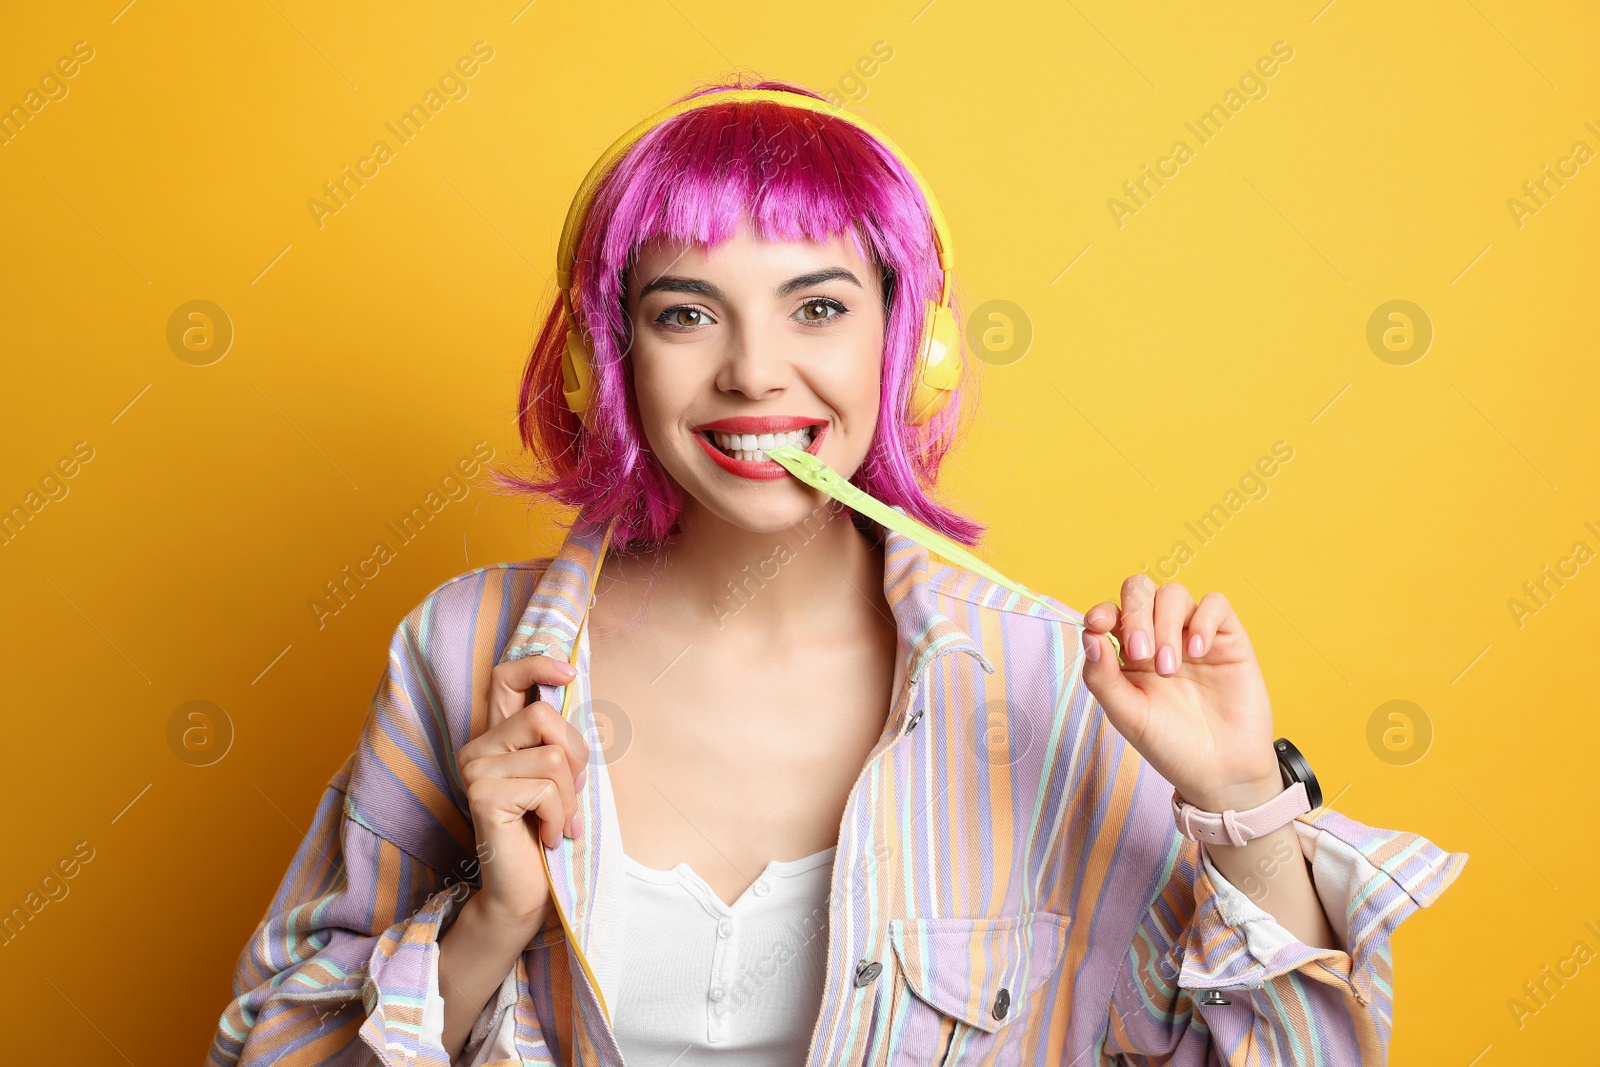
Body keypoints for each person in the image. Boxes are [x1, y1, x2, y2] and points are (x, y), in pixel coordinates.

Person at [208, 77, 1467, 1067]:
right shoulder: (464, 650)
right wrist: (486, 921)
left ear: (904, 348)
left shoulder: (1051, 679)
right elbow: (272, 1051)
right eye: (685, 312)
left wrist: (1242, 798)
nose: (755, 372)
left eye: (816, 307)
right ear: (610, 362)